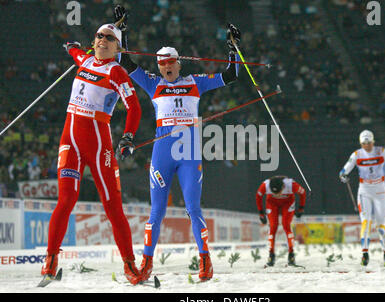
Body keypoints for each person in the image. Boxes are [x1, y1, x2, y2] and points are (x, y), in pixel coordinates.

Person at [113, 5, 241, 282]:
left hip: (189, 153)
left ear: (179, 63)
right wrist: (123, 32)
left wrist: (233, 50)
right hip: (162, 153)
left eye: (170, 63)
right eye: (162, 64)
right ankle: (146, 263)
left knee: (193, 208)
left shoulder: (196, 82)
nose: (166, 68)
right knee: (156, 210)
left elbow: (231, 76)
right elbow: (125, 62)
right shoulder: (152, 83)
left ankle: (205, 261)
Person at [41, 23, 143, 284]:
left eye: (110, 38)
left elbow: (134, 108)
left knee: (112, 206)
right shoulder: (84, 59)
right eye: (99, 36)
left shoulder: (117, 71)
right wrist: (71, 46)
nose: (103, 40)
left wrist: (128, 137)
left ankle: (130, 266)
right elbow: (75, 51)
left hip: (99, 146)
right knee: (65, 200)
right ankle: (50, 261)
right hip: (70, 142)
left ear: (117, 47)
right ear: (93, 39)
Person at [339, 130, 385, 266]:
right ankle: (365, 254)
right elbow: (345, 169)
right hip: (365, 191)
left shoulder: (381, 151)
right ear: (360, 143)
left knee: (380, 224)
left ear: (373, 142)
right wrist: (343, 175)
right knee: (366, 222)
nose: (366, 146)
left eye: (369, 143)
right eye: (364, 143)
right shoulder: (357, 154)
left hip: (380, 190)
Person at [256, 175, 306, 267]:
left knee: (286, 225)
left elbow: (303, 193)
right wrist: (261, 213)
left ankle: (291, 254)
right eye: (274, 193)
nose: (277, 195)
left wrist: (301, 208)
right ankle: (271, 255)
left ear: (283, 187)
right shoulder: (265, 185)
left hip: (288, 202)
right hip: (272, 203)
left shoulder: (291, 184)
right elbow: (258, 196)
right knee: (273, 226)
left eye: (279, 192)